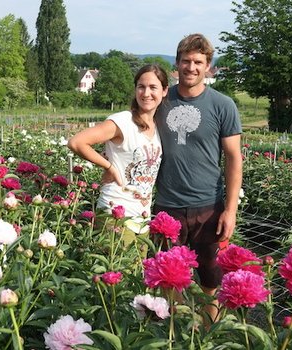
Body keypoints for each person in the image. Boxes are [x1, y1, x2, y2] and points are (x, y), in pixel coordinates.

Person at [153, 33, 243, 326]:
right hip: (168, 205)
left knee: (210, 277)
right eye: (185, 61)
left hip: (209, 205)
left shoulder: (222, 105)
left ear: (208, 67)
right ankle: (175, 332)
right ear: (176, 65)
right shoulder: (161, 101)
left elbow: (233, 158)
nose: (191, 67)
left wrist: (230, 211)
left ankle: (207, 333)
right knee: (168, 277)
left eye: (198, 62)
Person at [68, 64, 169, 218]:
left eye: (153, 87)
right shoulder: (123, 121)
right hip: (115, 210)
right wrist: (109, 167)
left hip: (141, 216)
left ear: (164, 91)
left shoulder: (157, 127)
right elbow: (76, 142)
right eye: (141, 87)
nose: (146, 93)